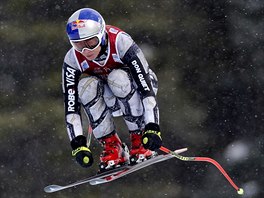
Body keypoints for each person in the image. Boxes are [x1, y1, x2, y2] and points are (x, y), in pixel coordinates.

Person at [62, 8, 162, 172]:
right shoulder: (72, 59)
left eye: (90, 42)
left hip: (140, 87)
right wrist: (77, 143)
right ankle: (112, 147)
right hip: (110, 98)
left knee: (118, 77)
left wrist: (152, 126)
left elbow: (146, 88)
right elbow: (71, 107)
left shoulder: (120, 42)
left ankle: (139, 138)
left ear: (101, 35)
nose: (85, 51)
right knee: (85, 87)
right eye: (78, 44)